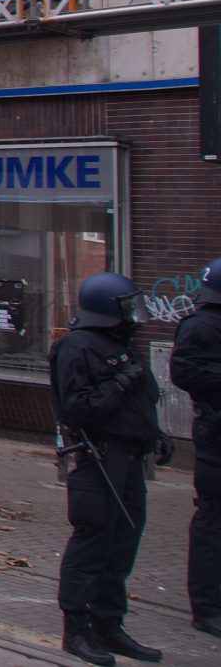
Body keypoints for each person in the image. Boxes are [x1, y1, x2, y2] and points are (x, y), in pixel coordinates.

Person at [51, 272, 167, 665]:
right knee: (93, 544)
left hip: (130, 459)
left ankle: (109, 626)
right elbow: (77, 408)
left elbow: (143, 398)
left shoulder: (122, 343)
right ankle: (77, 630)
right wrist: (120, 382)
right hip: (99, 459)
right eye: (128, 306)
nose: (135, 314)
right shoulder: (76, 347)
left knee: (122, 546)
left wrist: (155, 435)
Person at [171, 257, 221, 638]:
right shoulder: (200, 326)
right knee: (212, 520)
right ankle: (206, 607)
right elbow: (185, 371)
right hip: (215, 440)